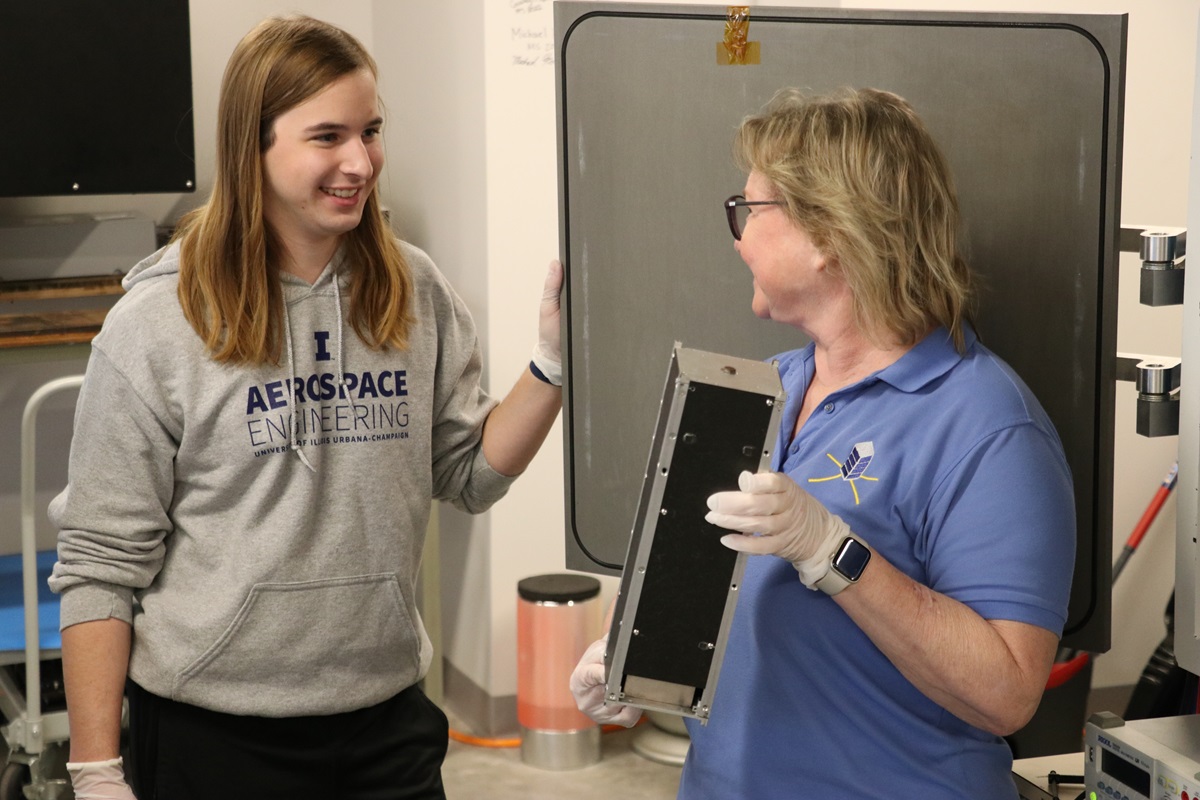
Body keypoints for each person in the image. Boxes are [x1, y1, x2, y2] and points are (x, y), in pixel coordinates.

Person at [48, 15, 563, 800]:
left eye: (371, 131)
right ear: (252, 148)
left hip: (386, 720)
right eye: (328, 136)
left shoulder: (413, 290)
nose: (360, 162)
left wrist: (553, 364)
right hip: (213, 731)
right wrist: (94, 770)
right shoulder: (159, 323)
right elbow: (99, 565)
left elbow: (468, 473)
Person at [570, 87, 1076, 799]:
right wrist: (627, 660)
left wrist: (832, 553)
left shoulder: (988, 427)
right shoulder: (761, 390)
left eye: (750, 210)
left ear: (832, 233)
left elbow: (1008, 693)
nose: (738, 236)